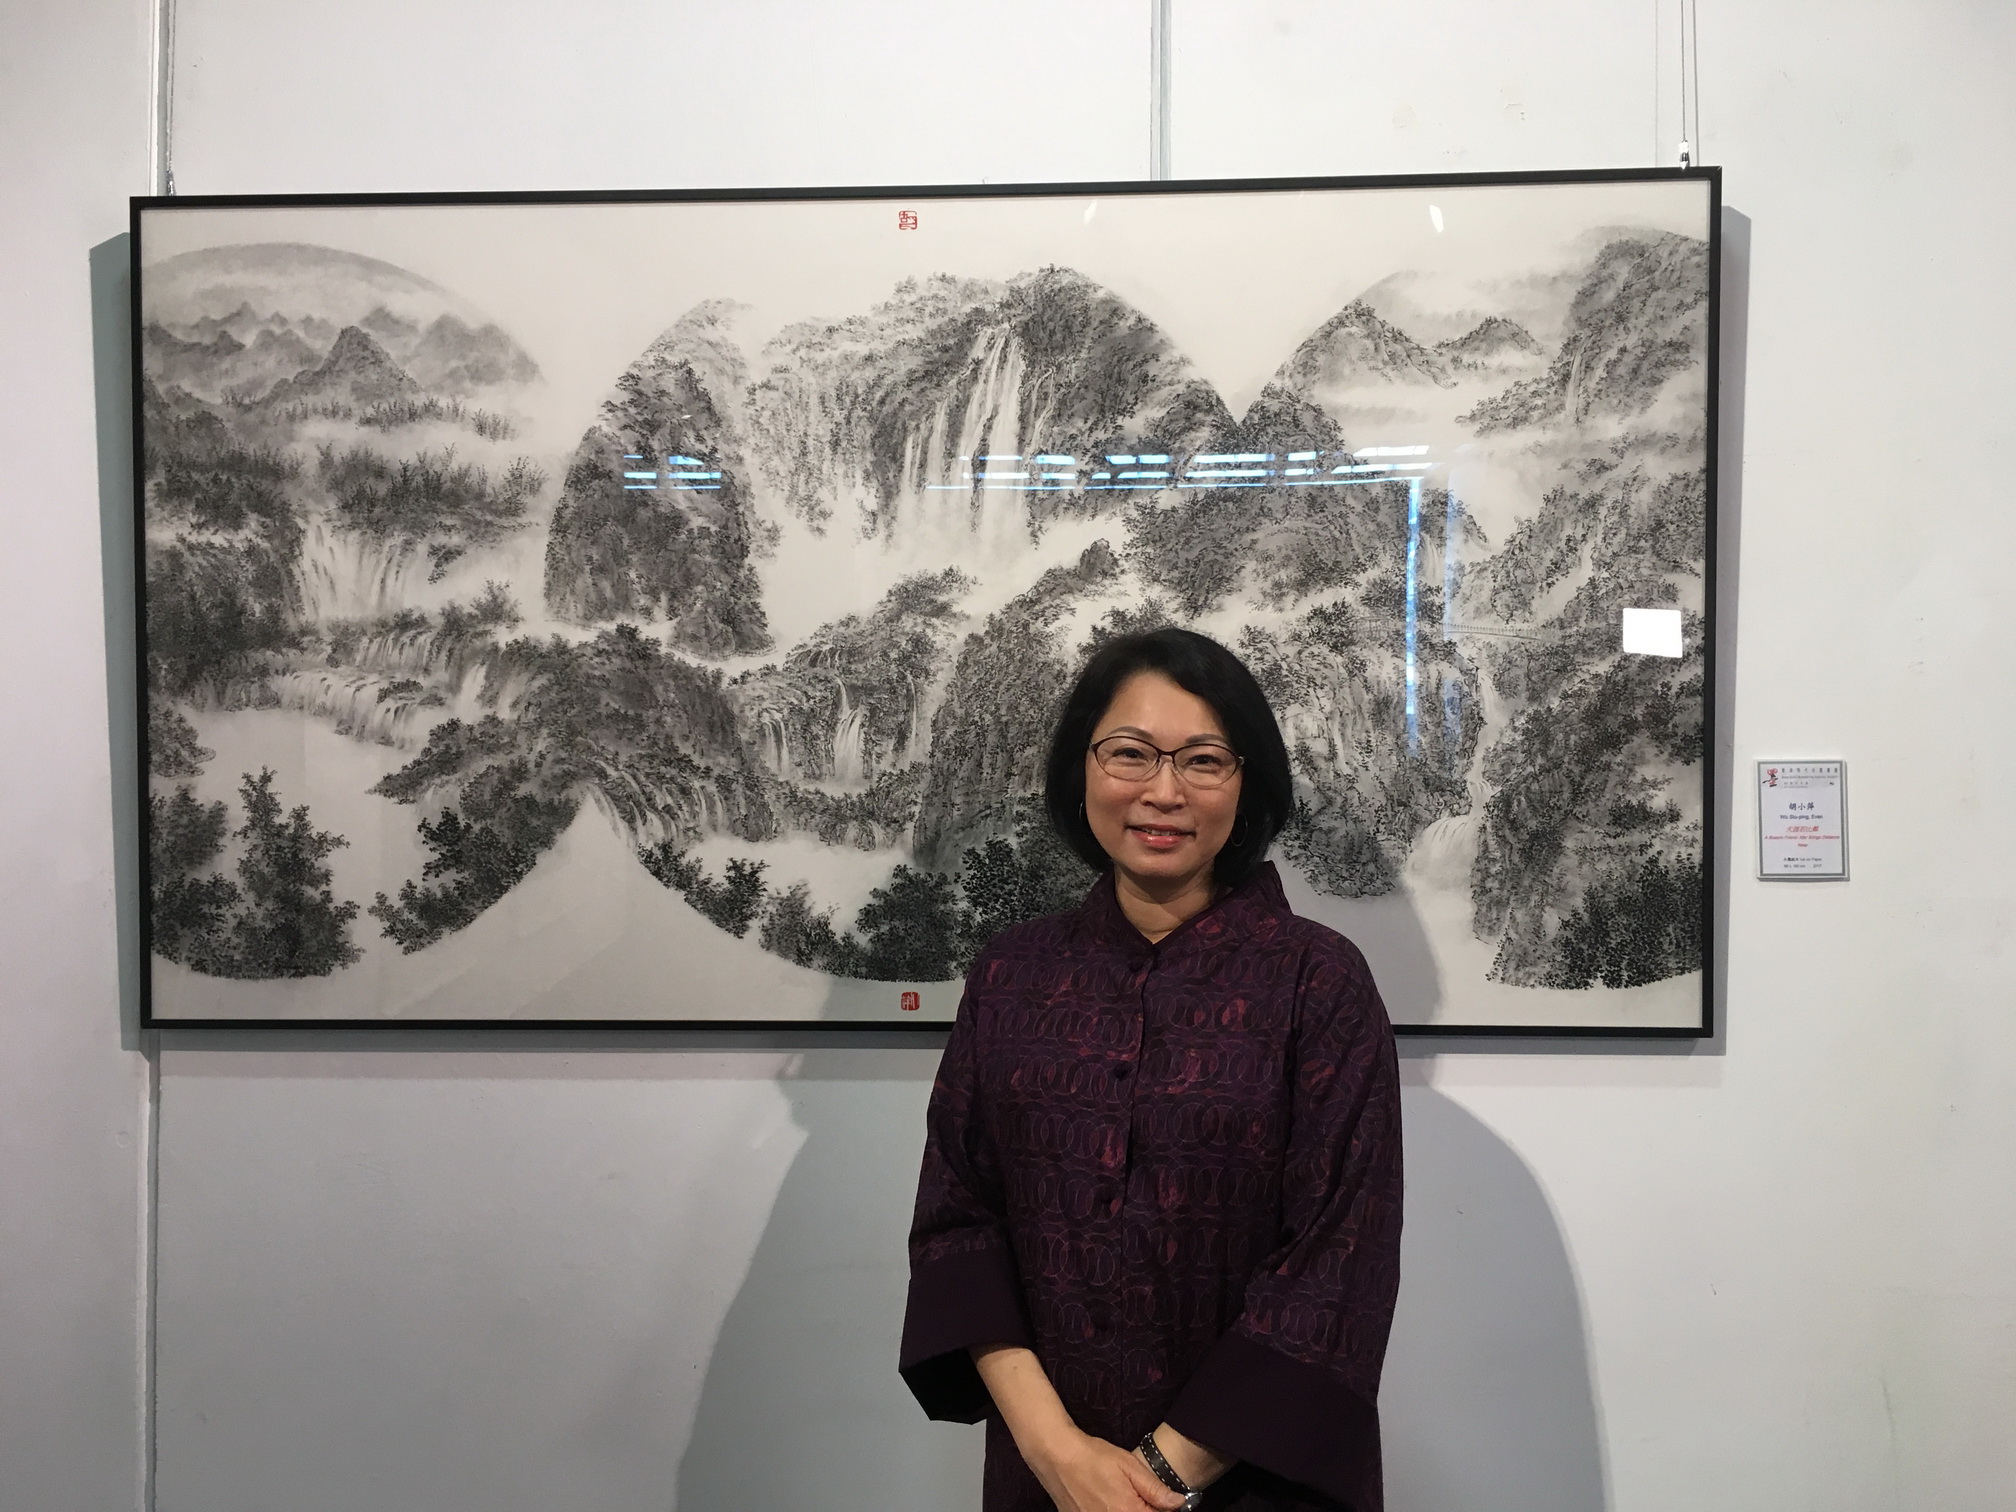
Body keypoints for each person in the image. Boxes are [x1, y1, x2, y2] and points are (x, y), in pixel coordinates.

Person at [899, 628, 1403, 1512]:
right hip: (1050, 1480)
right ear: (1081, 768)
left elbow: (1340, 1259)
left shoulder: (1318, 980)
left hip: (1259, 1478)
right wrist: (1063, 1459)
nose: (1163, 792)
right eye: (1130, 753)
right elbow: (959, 1224)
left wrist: (1159, 1479)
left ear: (1247, 784)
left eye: (1203, 760)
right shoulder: (1012, 974)